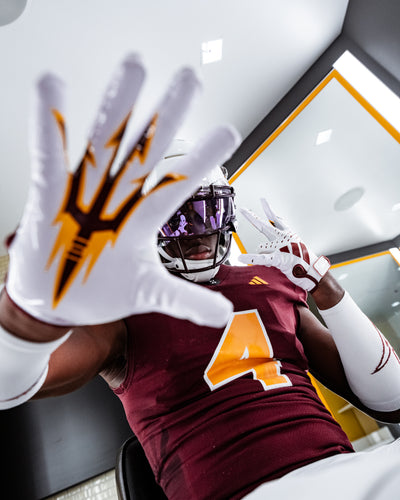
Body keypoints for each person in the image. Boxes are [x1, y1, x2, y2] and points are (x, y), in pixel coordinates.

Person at [1, 54, 400, 500]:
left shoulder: (272, 281)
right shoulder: (122, 305)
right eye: (175, 218)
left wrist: (329, 292)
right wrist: (22, 317)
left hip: (342, 469)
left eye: (207, 212)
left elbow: (393, 401)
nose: (198, 233)